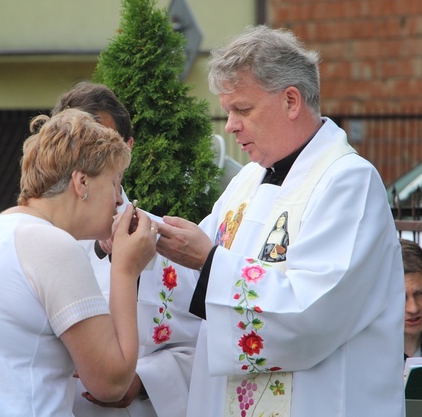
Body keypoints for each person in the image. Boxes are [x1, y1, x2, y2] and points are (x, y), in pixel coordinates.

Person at [154, 25, 405, 416]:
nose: (230, 125)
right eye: (228, 112)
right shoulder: (247, 179)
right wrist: (144, 243)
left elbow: (312, 312)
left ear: (291, 101)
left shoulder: (348, 182)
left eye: (242, 109)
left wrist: (210, 263)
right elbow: (194, 276)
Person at [0, 109, 158, 416]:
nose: (120, 200)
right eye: (114, 183)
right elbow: (111, 382)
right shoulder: (52, 245)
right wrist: (125, 269)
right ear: (81, 183)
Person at [53, 82, 201, 417]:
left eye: (103, 144)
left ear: (127, 150)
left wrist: (143, 380)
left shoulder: (165, 242)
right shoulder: (33, 236)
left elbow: (204, 343)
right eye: (76, 146)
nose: (87, 160)